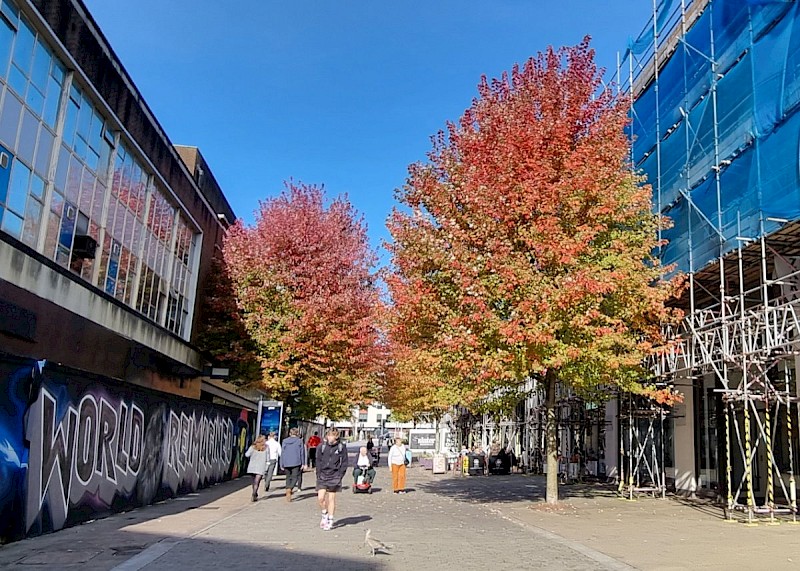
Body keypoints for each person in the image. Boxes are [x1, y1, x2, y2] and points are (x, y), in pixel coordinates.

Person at [316, 428, 349, 531]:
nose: (330, 438)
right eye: (328, 435)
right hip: (323, 475)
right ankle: (324, 513)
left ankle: (330, 520)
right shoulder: (322, 447)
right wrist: (318, 473)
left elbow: (344, 462)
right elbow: (318, 460)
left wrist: (340, 475)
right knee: (320, 498)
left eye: (332, 436)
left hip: (334, 475)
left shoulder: (341, 447)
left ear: (336, 436)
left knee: (331, 499)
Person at [280, 427, 306, 502]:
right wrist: (303, 463)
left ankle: (288, 488)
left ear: (290, 433)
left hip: (286, 462)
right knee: (295, 477)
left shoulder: (284, 441)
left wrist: (281, 463)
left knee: (288, 477)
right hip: (296, 462)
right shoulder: (299, 441)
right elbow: (302, 453)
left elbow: (282, 453)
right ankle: (290, 489)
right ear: (297, 433)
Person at [245, 435, 269, 502]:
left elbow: (247, 454)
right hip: (261, 467)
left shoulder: (253, 447)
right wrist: (266, 468)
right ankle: (254, 493)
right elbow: (268, 459)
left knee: (253, 482)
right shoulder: (266, 448)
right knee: (257, 482)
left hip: (252, 467)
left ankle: (254, 492)